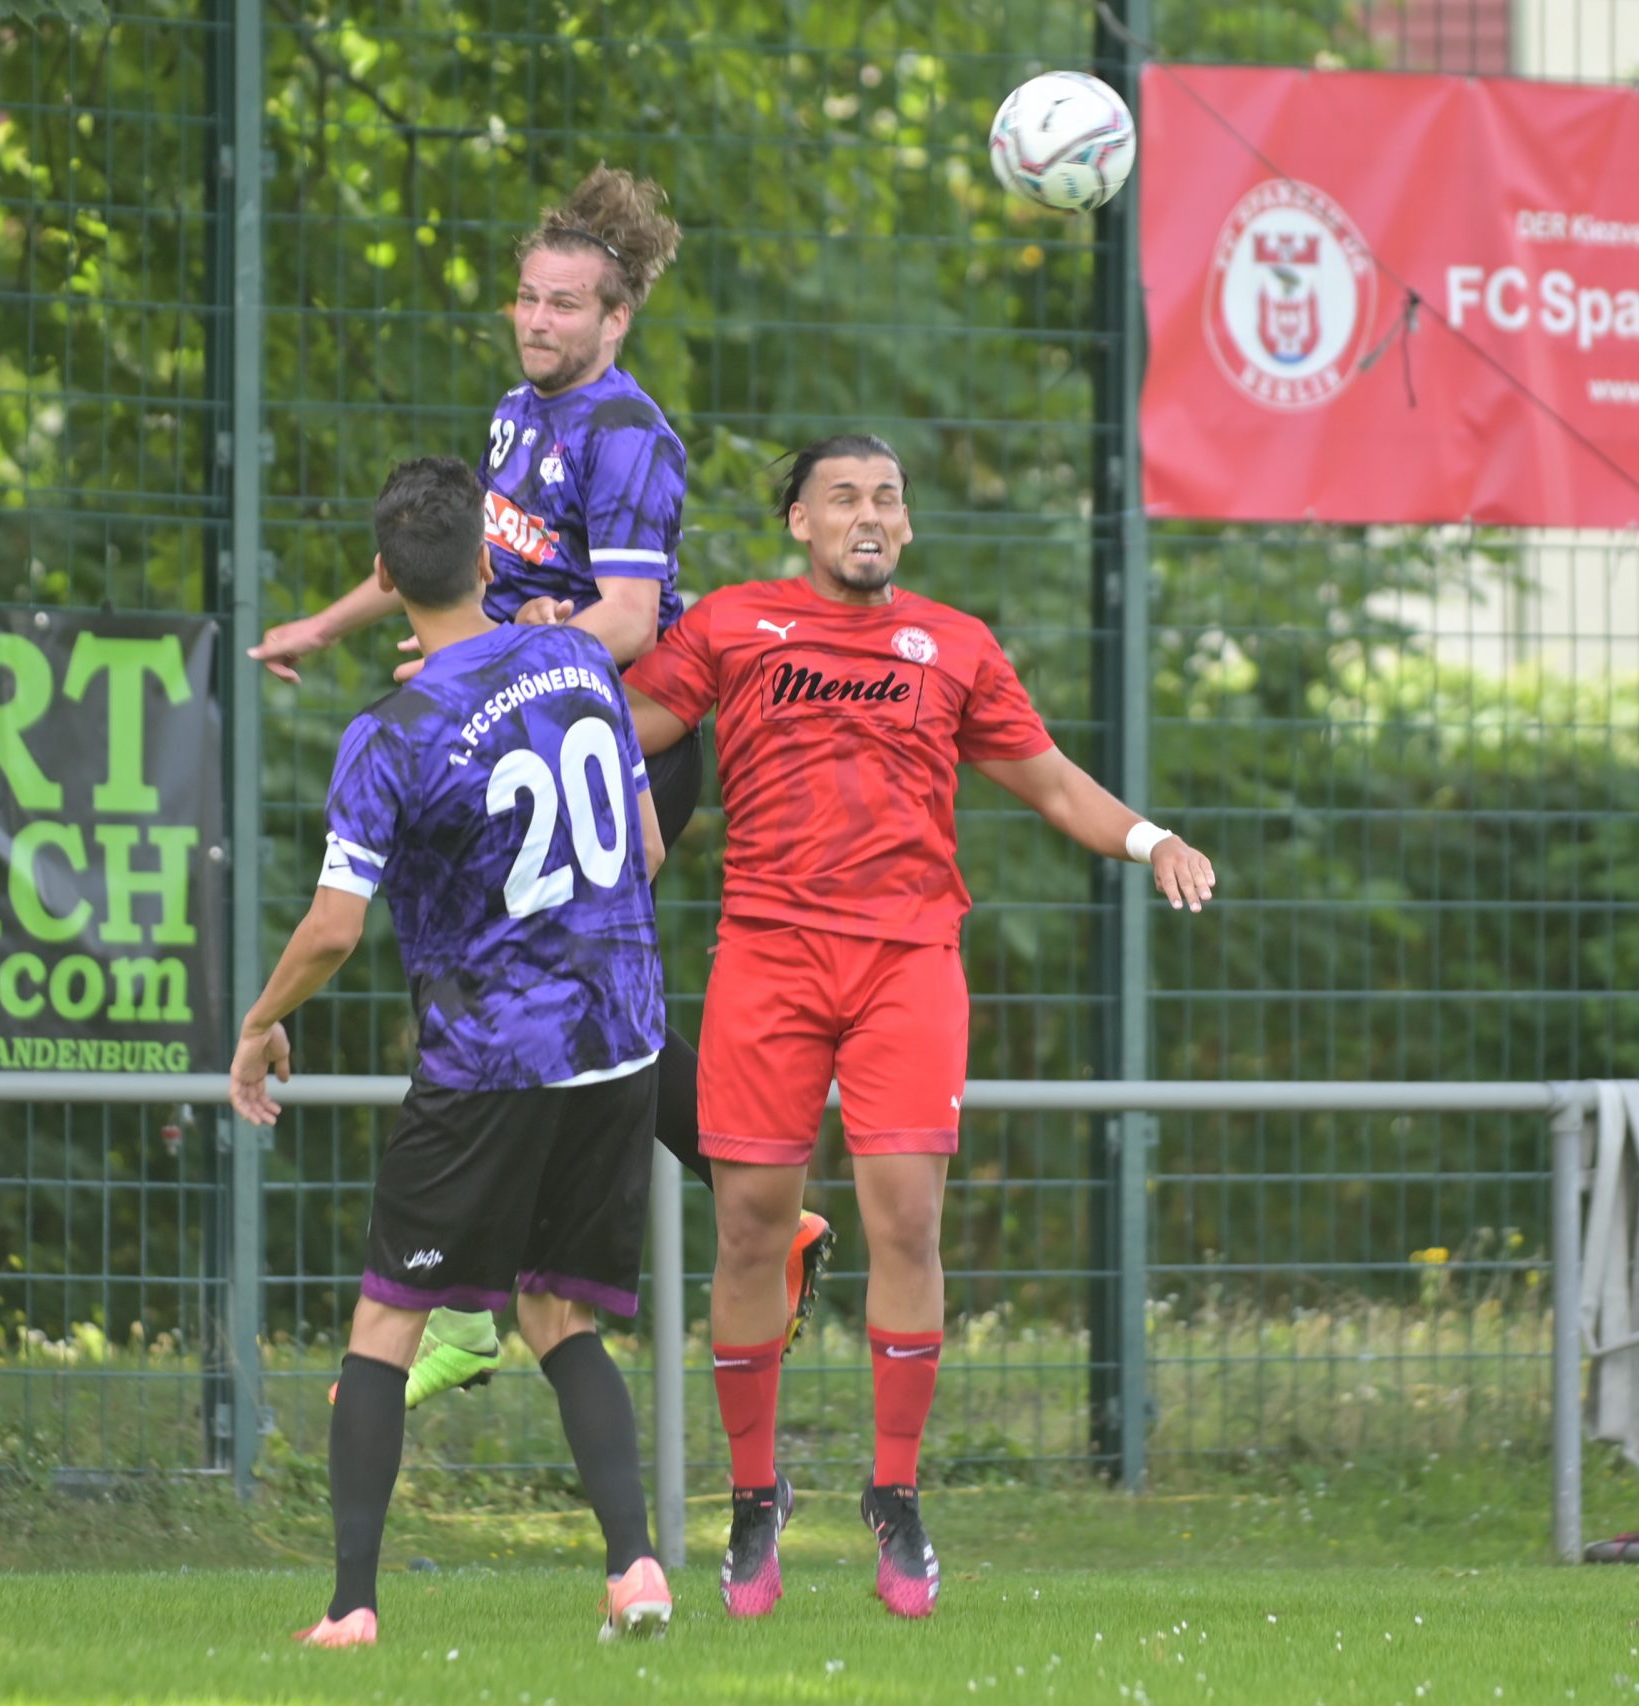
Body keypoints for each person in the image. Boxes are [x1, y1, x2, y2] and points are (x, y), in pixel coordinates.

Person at [249, 165, 832, 1405]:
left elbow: (624, 619)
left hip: (621, 736)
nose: (538, 320)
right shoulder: (518, 413)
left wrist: (489, 663)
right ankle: (537, 1277)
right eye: (526, 297)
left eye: (565, 305)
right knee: (543, 1007)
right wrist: (331, 621)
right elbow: (455, 554)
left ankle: (473, 1299)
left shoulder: (627, 438)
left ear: (616, 320)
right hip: (515, 721)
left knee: (540, 1003)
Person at [615, 433, 1218, 1620]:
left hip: (907, 961)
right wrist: (489, 676)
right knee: (747, 1228)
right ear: (798, 520)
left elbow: (1049, 782)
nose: (868, 511)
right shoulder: (735, 627)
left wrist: (1154, 840)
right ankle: (752, 1500)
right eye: (841, 495)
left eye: (886, 494)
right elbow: (619, 725)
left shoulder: (954, 644)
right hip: (767, 954)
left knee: (906, 1215)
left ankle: (893, 1493)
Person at [231, 457, 675, 1646]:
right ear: (490, 557)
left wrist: (258, 1021)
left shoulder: (392, 731)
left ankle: (351, 1605)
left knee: (389, 1318)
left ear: (384, 575)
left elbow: (333, 927)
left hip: (494, 1055)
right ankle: (636, 1566)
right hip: (621, 1035)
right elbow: (646, 849)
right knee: (557, 1312)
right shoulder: (581, 659)